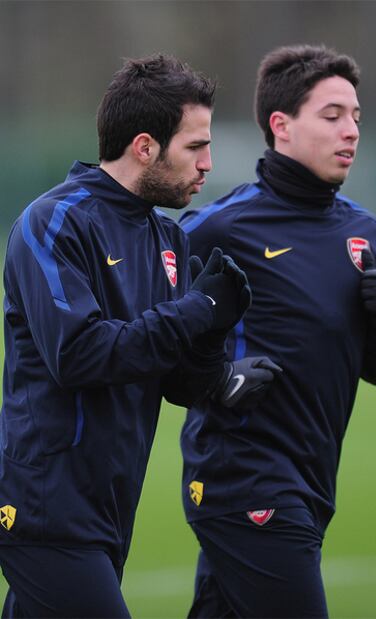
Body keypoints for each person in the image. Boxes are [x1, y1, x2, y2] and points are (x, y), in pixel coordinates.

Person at [0, 54, 281, 618]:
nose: (208, 163)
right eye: (195, 147)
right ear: (145, 146)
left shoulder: (167, 239)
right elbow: (79, 355)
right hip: (43, 506)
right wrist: (198, 310)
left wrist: (214, 347)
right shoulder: (53, 221)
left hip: (109, 505)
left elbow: (176, 382)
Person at [179, 44, 376, 618]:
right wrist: (218, 379)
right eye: (331, 116)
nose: (350, 130)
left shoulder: (369, 235)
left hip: (312, 481)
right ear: (280, 126)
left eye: (355, 116)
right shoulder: (217, 228)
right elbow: (153, 339)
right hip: (242, 478)